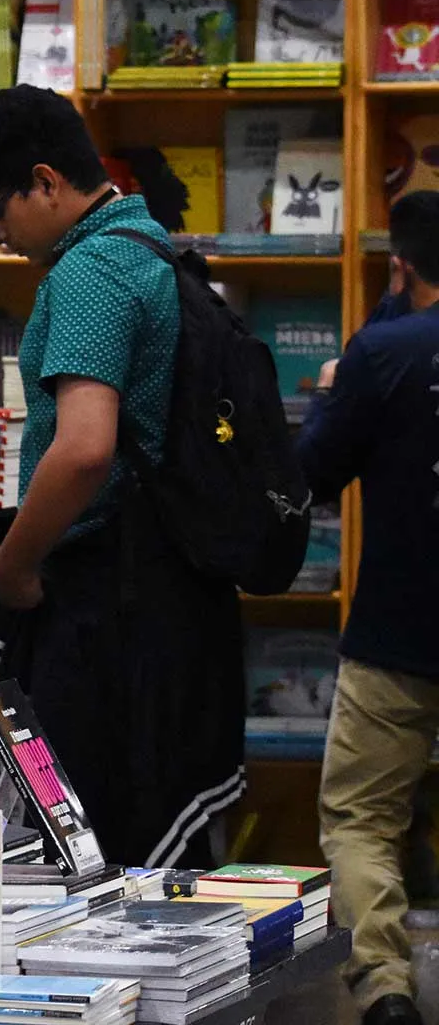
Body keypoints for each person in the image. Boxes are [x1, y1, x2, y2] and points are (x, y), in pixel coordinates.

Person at [0, 85, 243, 868]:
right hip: (171, 598)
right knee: (158, 860)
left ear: (47, 182)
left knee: (91, 847)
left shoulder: (91, 274)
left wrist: (13, 561)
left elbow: (83, 449)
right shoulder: (152, 249)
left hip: (109, 608)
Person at [303, 191, 439, 1025]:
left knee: (360, 819)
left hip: (395, 630)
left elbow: (311, 473)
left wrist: (335, 386)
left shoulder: (381, 352)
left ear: (402, 265)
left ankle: (385, 992)